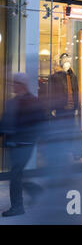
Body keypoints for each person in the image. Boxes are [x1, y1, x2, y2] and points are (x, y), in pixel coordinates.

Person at [0, 73, 45, 217]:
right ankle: (34, 189)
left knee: (15, 175)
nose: (13, 85)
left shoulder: (33, 101)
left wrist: (34, 138)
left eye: (15, 83)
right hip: (13, 143)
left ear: (22, 85)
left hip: (24, 143)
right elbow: (5, 123)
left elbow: (40, 122)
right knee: (16, 174)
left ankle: (17, 207)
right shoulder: (12, 102)